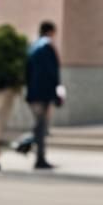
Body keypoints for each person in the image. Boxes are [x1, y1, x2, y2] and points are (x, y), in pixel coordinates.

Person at [18, 20, 63, 170]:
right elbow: (52, 72)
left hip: (33, 92)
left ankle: (31, 149)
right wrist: (57, 93)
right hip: (44, 93)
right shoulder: (47, 46)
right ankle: (37, 155)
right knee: (41, 125)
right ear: (50, 32)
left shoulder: (32, 47)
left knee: (39, 125)